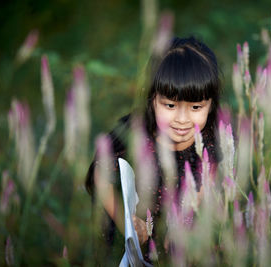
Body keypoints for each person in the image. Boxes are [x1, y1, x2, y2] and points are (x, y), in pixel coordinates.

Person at [85, 36, 222, 262]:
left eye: (196, 107)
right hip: (137, 240)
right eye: (170, 105)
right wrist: (125, 221)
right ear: (151, 99)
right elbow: (100, 174)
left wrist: (186, 222)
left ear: (211, 104)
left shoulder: (211, 139)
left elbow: (209, 177)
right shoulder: (135, 136)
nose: (182, 119)